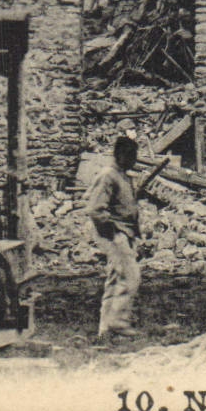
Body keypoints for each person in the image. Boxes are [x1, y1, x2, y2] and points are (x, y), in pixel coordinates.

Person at [87, 135, 142, 339]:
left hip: (124, 233)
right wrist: (110, 230)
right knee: (131, 277)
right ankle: (118, 323)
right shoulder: (108, 176)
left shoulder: (123, 176)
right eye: (131, 155)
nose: (134, 160)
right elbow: (94, 209)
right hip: (115, 233)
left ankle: (105, 328)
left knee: (115, 279)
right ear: (120, 155)